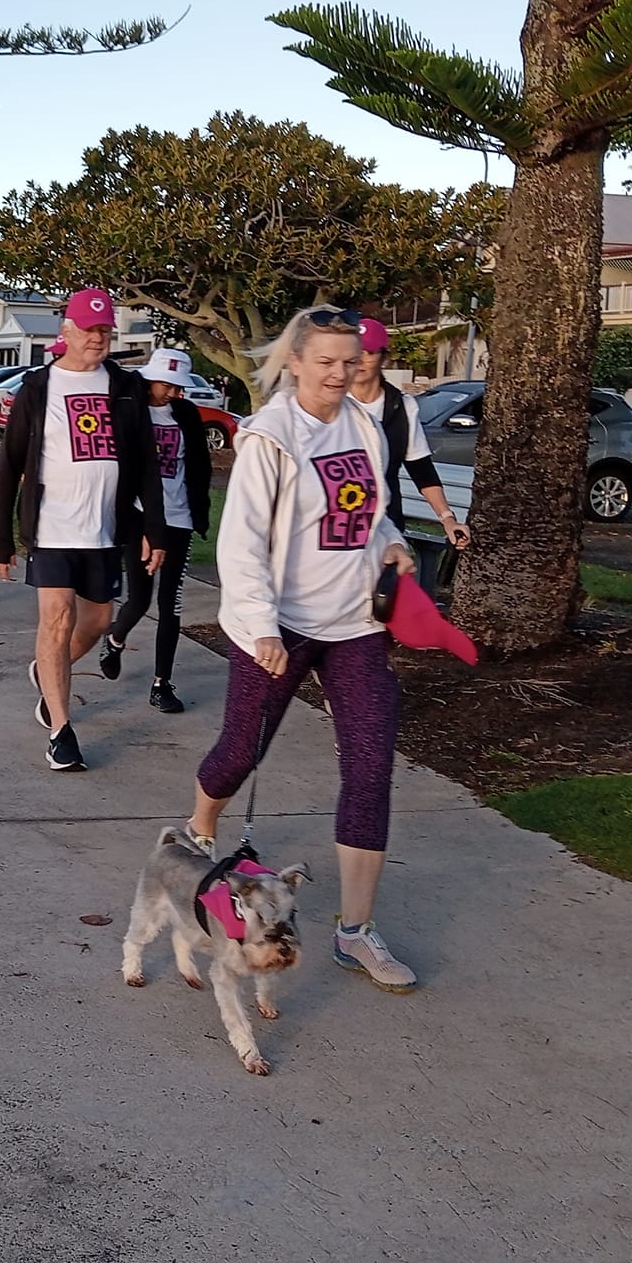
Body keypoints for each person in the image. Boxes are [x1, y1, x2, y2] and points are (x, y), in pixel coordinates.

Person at [188, 305, 422, 992]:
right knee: (241, 751)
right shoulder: (271, 437)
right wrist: (261, 627)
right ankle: (199, 830)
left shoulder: (365, 425)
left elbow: (368, 514)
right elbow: (242, 543)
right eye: (325, 362)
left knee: (372, 763)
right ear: (294, 361)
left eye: (351, 362)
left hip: (354, 626)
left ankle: (356, 932)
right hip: (279, 625)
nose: (340, 374)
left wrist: (395, 546)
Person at [0, 289, 166, 773]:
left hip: (105, 530)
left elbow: (147, 463)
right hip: (52, 526)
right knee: (57, 617)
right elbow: (8, 466)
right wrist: (1, 538)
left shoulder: (126, 387)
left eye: (105, 330)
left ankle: (48, 676)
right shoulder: (39, 387)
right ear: (65, 333)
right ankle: (61, 732)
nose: (98, 338)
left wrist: (154, 526)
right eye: (89, 330)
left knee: (96, 623)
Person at [98, 348, 211, 714]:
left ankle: (162, 683)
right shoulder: (132, 410)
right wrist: (144, 525)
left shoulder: (186, 414)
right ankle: (115, 639)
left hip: (179, 518)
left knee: (171, 605)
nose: (175, 393)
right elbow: (125, 470)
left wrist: (199, 512)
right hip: (140, 518)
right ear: (151, 379)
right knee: (140, 598)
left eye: (180, 387)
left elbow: (199, 467)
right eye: (169, 385)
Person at [354, 318, 471, 549]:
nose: (359, 360)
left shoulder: (402, 406)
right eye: (354, 351)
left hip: (386, 529)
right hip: (338, 530)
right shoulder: (332, 404)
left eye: (368, 352)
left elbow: (421, 470)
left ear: (384, 357)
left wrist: (447, 519)